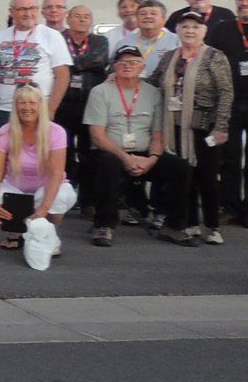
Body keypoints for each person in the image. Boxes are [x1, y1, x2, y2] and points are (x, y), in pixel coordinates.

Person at [82, 47, 193, 247]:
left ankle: (174, 226)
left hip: (144, 155)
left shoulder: (153, 93)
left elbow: (158, 135)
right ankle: (104, 225)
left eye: (133, 62)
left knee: (181, 168)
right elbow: (97, 136)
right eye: (122, 62)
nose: (127, 66)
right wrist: (125, 158)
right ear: (114, 67)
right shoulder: (100, 91)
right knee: (109, 165)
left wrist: (151, 159)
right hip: (110, 152)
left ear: (142, 66)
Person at [149, 12, 234, 244]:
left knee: (206, 176)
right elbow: (153, 82)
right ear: (177, 30)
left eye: (195, 27)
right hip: (173, 127)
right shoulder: (169, 57)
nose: (189, 31)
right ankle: (190, 222)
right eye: (185, 26)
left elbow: (226, 92)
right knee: (183, 174)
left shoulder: (214, 57)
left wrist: (221, 125)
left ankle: (212, 225)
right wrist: (119, 77)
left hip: (204, 126)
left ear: (204, 31)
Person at [0, 0, 72, 178]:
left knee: (32, 161)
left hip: (35, 110)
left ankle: (31, 201)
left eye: (32, 8)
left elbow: (62, 75)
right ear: (11, 12)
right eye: (22, 9)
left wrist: (51, 109)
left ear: (37, 10)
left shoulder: (51, 36)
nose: (27, 13)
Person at [0, 85, 78, 252]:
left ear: (40, 105)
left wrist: (44, 209)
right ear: (15, 106)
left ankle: (50, 234)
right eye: (22, 103)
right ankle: (15, 233)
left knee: (60, 197)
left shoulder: (56, 132)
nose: (27, 107)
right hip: (16, 187)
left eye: (32, 103)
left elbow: (56, 173)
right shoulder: (5, 132)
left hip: (46, 186)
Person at [57, 4, 109, 201]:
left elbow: (99, 60)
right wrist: (80, 62)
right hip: (63, 103)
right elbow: (55, 62)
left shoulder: (100, 40)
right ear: (68, 19)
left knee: (90, 152)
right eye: (77, 16)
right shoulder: (58, 39)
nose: (82, 19)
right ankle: (64, 197)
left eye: (87, 16)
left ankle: (88, 199)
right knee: (63, 151)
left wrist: (69, 63)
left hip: (90, 104)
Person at [214, 0, 248, 227]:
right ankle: (230, 207)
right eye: (241, 0)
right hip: (230, 102)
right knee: (229, 157)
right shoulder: (222, 28)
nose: (245, 4)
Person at [109, 0, 179, 76]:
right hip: (131, 86)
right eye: (143, 14)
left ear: (164, 20)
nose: (148, 16)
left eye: (153, 13)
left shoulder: (176, 41)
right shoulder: (124, 43)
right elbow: (112, 68)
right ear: (137, 19)